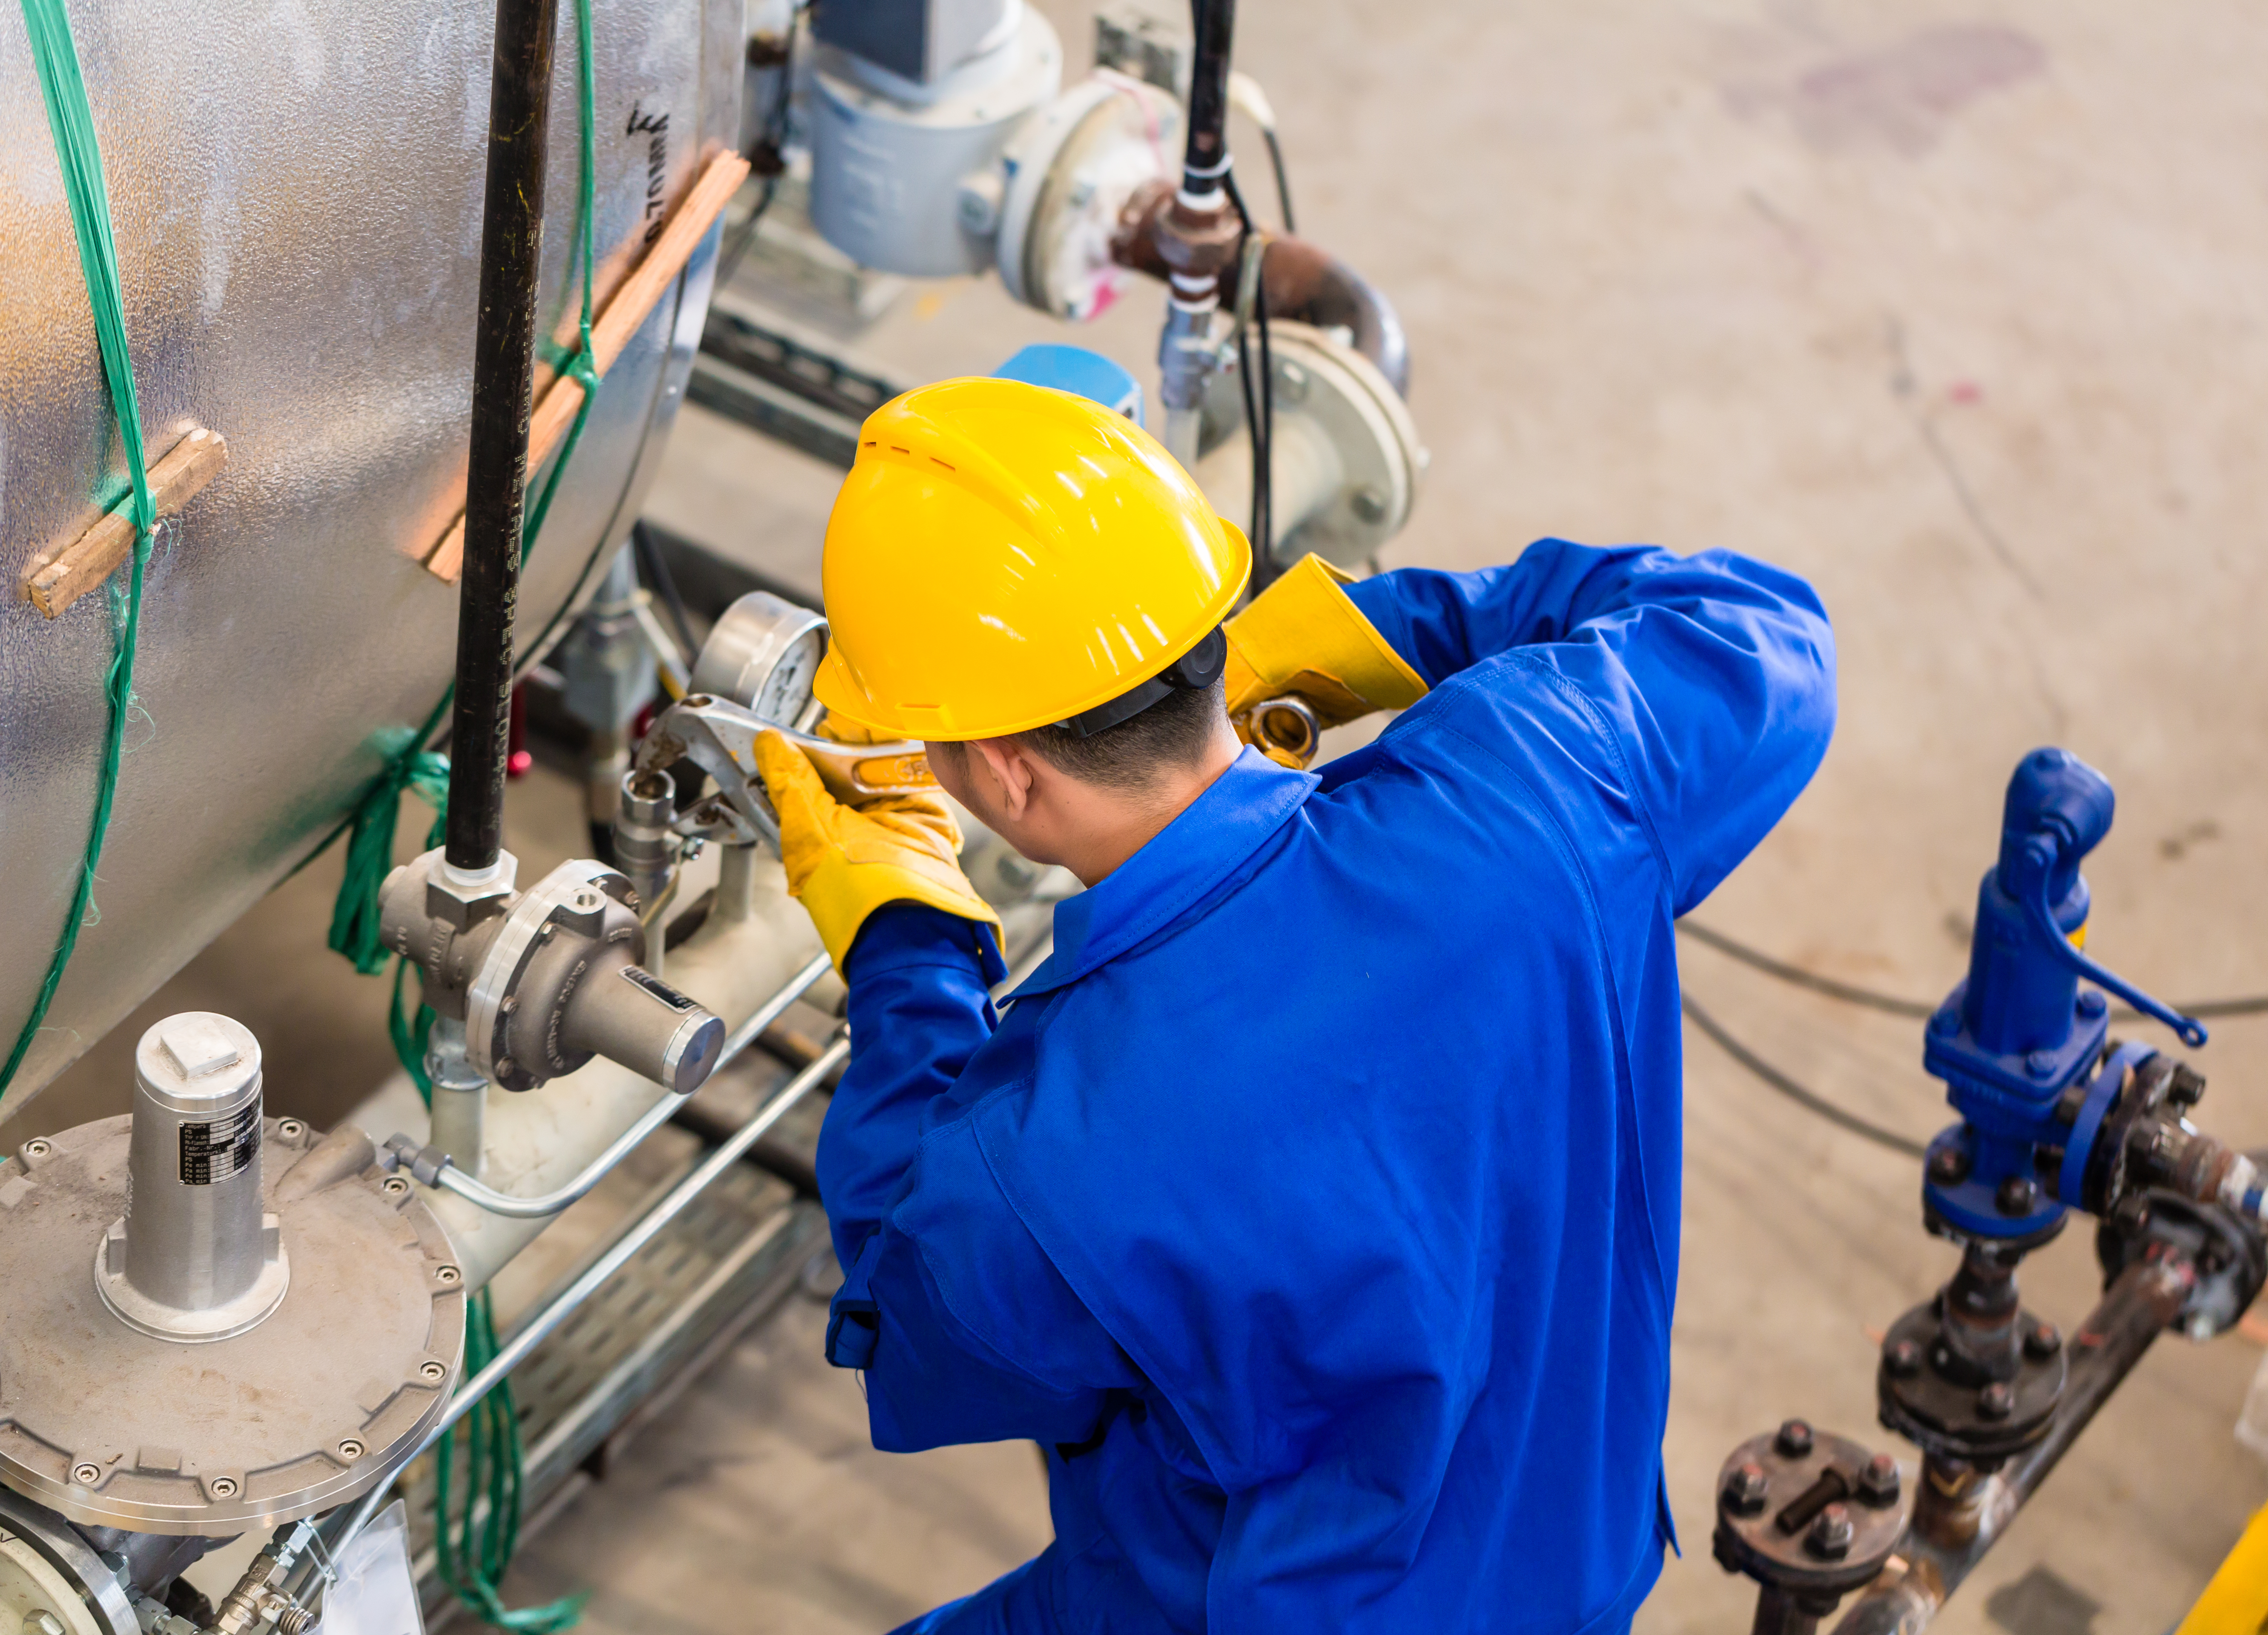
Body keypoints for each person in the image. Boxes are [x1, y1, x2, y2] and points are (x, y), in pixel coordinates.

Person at [751, 376, 1835, 1634]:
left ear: (1000, 771)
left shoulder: (1046, 1156)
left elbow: (908, 1291)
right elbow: (1757, 624)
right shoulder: (1545, 779)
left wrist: (907, 936)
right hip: (1566, 1562)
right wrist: (1379, 636)